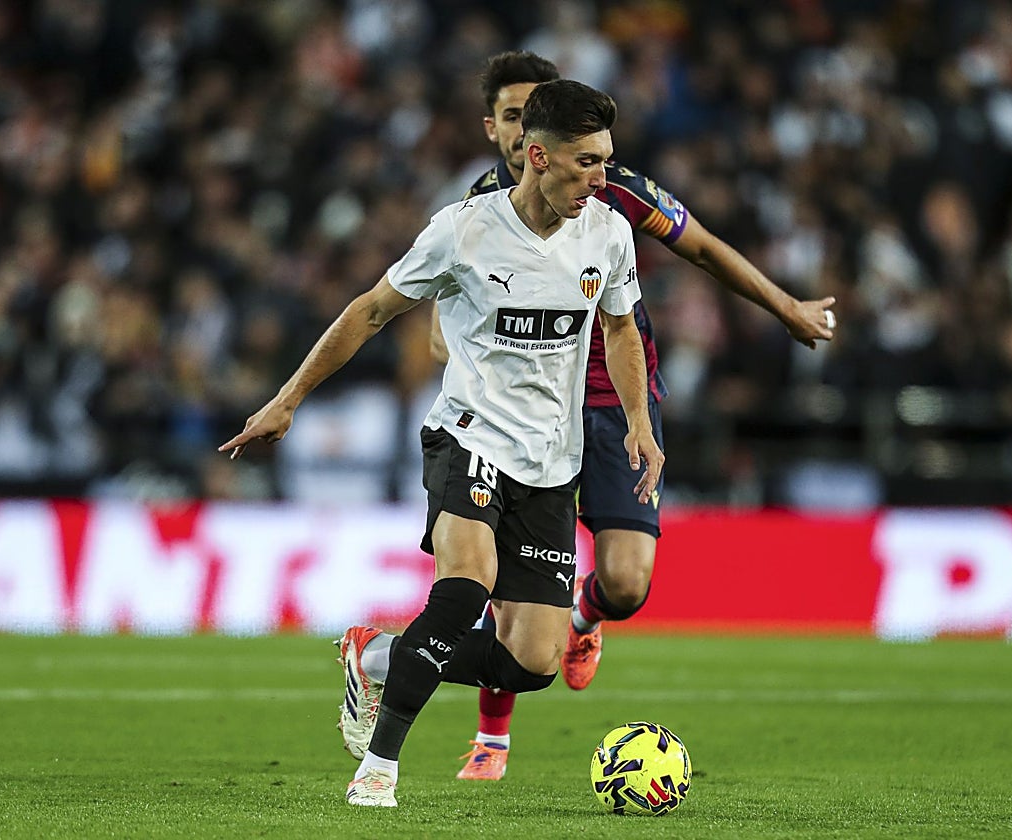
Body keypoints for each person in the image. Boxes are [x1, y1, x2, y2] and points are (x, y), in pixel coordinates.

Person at [221, 78, 663, 807]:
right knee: (463, 587)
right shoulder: (464, 231)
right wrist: (287, 399)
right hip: (469, 435)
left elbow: (619, 328)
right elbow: (369, 312)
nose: (601, 179)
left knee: (533, 662)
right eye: (587, 162)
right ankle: (379, 769)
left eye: (607, 160)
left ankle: (378, 654)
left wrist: (640, 424)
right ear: (537, 155)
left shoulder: (608, 234)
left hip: (553, 464)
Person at [429, 52, 838, 782]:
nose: (527, 125)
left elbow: (703, 247)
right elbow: (439, 306)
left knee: (627, 582)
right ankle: (492, 738)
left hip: (613, 404)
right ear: (500, 130)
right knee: (502, 589)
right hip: (517, 415)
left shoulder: (612, 194)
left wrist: (787, 308)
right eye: (515, 114)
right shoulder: (477, 212)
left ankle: (584, 622)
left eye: (537, 110)